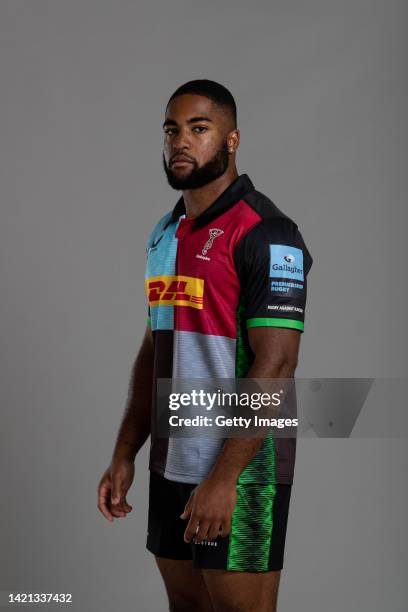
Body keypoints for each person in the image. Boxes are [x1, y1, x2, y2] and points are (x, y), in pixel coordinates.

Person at [97, 79, 313, 612]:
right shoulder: (165, 232)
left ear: (232, 139)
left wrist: (224, 478)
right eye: (172, 130)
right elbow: (156, 347)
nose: (181, 143)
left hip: (241, 472)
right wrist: (126, 452)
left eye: (199, 128)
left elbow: (278, 362)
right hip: (172, 463)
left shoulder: (268, 232)